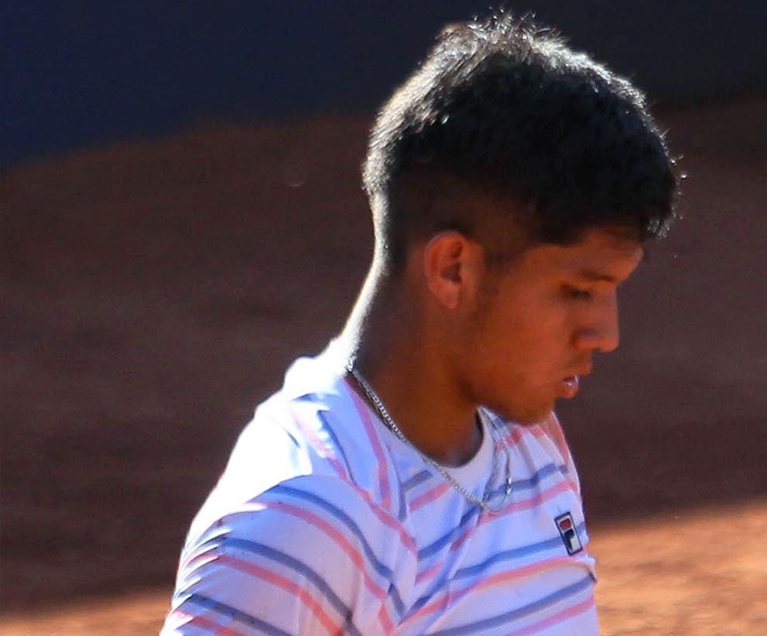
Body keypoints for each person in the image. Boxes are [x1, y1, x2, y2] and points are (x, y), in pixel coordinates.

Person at [162, 13, 678, 636]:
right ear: (453, 269)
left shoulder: (525, 439)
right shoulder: (303, 516)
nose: (605, 333)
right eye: (578, 290)